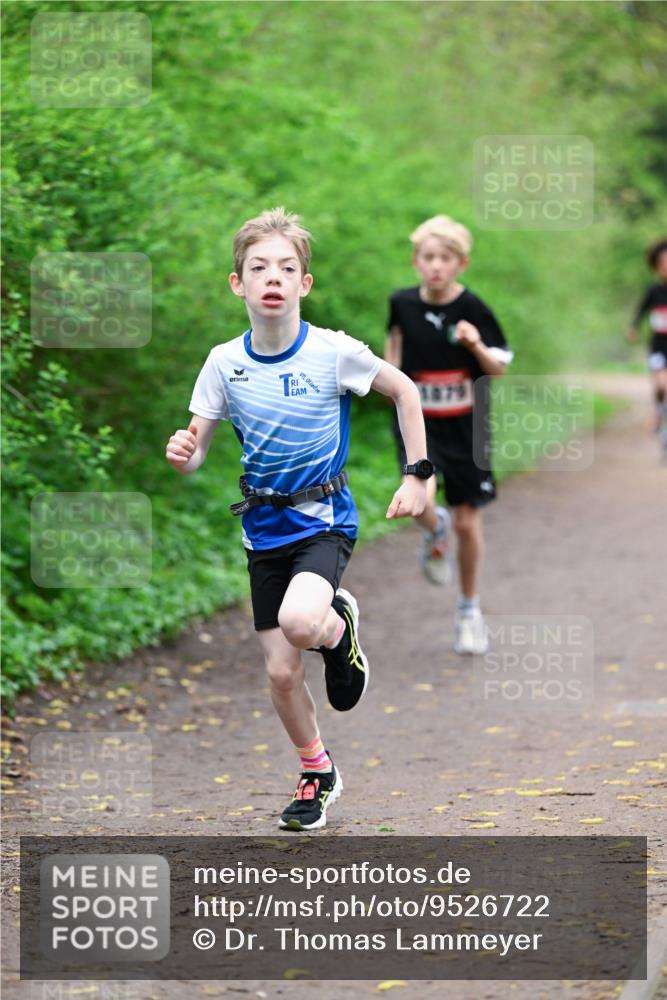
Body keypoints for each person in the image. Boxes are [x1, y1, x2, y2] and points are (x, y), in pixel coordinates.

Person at [166, 207, 430, 831]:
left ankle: (335, 628)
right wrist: (185, 451)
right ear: (238, 283)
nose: (272, 277)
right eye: (258, 267)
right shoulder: (223, 363)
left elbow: (406, 392)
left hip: (324, 521)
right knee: (282, 672)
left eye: (287, 267)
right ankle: (318, 771)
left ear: (304, 284)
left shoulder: (333, 352)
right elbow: (197, 447)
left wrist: (419, 474)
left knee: (298, 621)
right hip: (263, 530)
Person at [385, 215, 512, 655]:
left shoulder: (473, 308)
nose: (436, 266)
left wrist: (474, 344)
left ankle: (468, 610)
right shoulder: (401, 303)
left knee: (467, 520)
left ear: (461, 263)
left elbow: (498, 368)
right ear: (416, 261)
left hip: (467, 427)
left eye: (445, 258)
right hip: (419, 423)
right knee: (422, 499)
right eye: (428, 257)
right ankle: (433, 530)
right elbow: (393, 357)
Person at [625, 237, 667, 434]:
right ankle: (658, 414)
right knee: (661, 384)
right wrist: (633, 327)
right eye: (663, 264)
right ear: (656, 267)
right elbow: (641, 311)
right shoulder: (654, 291)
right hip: (659, 346)